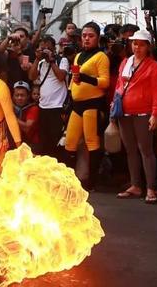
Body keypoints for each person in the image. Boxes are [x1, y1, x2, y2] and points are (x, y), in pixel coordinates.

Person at [114, 30, 157, 204]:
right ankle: (136, 185)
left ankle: (150, 188)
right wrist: (115, 104)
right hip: (124, 112)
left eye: (142, 44)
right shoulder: (125, 63)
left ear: (148, 47)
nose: (137, 47)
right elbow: (119, 85)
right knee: (130, 150)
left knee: (146, 150)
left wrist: (155, 113)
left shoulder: (154, 66)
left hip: (144, 112)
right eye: (135, 43)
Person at [65, 22, 110, 190]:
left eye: (90, 36)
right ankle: (69, 179)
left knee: (92, 142)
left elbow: (105, 83)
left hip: (93, 103)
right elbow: (74, 80)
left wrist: (85, 78)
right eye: (84, 35)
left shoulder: (101, 57)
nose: (86, 39)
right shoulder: (78, 56)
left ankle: (92, 181)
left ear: (97, 37)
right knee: (70, 141)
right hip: (76, 104)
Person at [29, 35, 69, 159]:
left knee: (56, 142)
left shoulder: (62, 60)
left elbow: (61, 77)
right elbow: (31, 76)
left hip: (57, 108)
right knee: (44, 142)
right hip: (43, 107)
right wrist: (36, 59)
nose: (45, 51)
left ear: (54, 49)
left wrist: (51, 60)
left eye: (48, 48)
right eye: (43, 48)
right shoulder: (40, 63)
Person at [12, 81, 41, 154]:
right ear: (13, 96)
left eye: (22, 95)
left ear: (28, 96)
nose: (19, 98)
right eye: (17, 95)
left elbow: (27, 128)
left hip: (32, 145)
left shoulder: (33, 108)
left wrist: (10, 115)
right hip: (17, 143)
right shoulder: (12, 107)